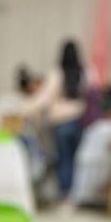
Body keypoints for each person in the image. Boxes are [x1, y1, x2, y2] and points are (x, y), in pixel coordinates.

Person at [23, 39, 87, 202]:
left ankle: (64, 194)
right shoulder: (86, 72)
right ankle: (73, 195)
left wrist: (25, 110)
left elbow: (44, 98)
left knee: (63, 159)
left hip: (61, 124)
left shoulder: (57, 74)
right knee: (75, 159)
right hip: (80, 123)